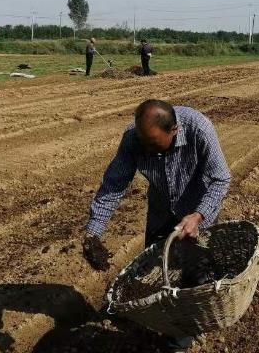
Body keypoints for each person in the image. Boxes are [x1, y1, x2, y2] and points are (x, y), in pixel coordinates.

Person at [82, 99, 231, 352]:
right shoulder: (133, 139)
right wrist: (93, 233)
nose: (146, 150)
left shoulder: (199, 129)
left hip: (198, 208)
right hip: (161, 210)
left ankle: (185, 335)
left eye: (152, 144)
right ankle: (162, 319)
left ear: (173, 131)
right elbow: (113, 185)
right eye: (143, 143)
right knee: (157, 269)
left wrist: (198, 215)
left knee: (194, 272)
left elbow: (221, 179)